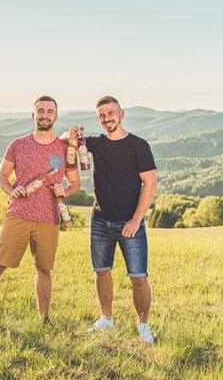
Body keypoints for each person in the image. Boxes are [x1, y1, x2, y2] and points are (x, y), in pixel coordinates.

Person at [0, 96, 81, 325]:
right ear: (33, 115)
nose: (45, 115)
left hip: (49, 218)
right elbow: (1, 176)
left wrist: (65, 191)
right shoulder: (18, 145)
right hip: (18, 215)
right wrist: (11, 190)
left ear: (56, 117)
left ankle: (44, 319)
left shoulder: (64, 149)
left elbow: (75, 184)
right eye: (41, 110)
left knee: (44, 269)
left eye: (50, 111)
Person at [69, 95, 157, 344]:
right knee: (102, 272)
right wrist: (72, 133)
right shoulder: (96, 144)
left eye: (111, 113)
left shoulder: (139, 145)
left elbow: (149, 183)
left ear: (121, 114)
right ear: (98, 120)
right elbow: (70, 142)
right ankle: (106, 320)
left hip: (131, 222)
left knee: (138, 277)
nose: (107, 119)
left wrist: (135, 220)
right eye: (102, 116)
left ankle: (142, 325)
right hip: (100, 220)